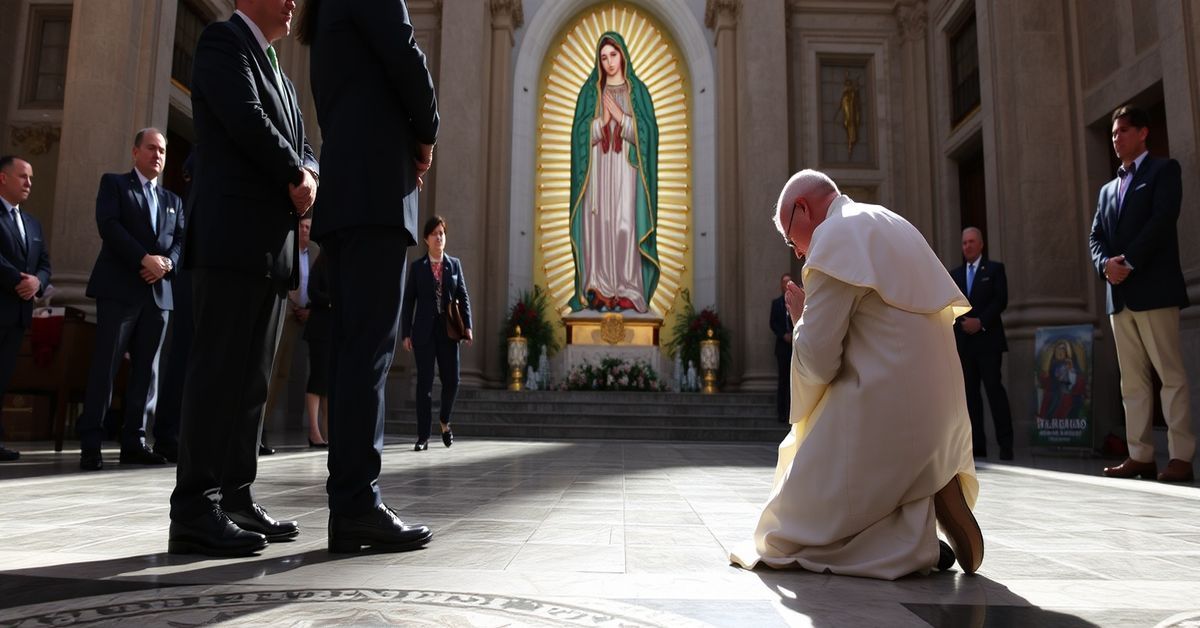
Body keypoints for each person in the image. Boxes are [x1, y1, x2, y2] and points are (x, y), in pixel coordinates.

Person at [730, 169, 983, 579]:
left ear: (803, 209)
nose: (796, 252)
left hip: (894, 413)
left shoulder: (833, 239)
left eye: (790, 237)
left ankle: (914, 546)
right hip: (946, 414)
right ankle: (924, 500)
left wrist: (800, 321)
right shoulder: (887, 219)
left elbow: (818, 362)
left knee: (783, 527)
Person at [168, 0, 318, 557]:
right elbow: (245, 120)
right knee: (217, 377)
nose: (294, 2)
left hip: (270, 249)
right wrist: (296, 173)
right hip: (230, 238)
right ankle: (194, 508)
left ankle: (235, 496)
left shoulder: (279, 66)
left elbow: (303, 142)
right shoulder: (221, 42)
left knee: (252, 382)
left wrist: (311, 174)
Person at [299, 0, 438, 553]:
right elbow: (405, 55)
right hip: (376, 188)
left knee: (355, 350)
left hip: (348, 187)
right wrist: (426, 133)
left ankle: (351, 500)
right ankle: (357, 502)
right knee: (369, 352)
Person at [1090, 104, 1194, 483]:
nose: (1115, 139)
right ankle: (1140, 455)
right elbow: (1095, 236)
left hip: (1155, 290)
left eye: (1122, 132)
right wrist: (1105, 265)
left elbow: (1162, 221)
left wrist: (1128, 262)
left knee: (1170, 375)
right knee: (1131, 381)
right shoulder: (1107, 189)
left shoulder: (1165, 171)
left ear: (1143, 133)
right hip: (1118, 298)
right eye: (1113, 133)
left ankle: (1181, 456)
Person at [76, 128, 184, 471]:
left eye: (163, 151)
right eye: (151, 148)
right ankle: (91, 443)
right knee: (105, 368)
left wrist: (167, 263)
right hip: (119, 290)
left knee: (146, 372)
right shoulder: (114, 184)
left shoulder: (173, 201)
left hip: (158, 295)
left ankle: (134, 441)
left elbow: (182, 240)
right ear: (135, 151)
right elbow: (109, 226)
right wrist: (144, 259)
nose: (158, 155)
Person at [568, 32, 659, 313]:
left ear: (623, 56)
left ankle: (628, 290)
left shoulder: (638, 93)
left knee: (624, 226)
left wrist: (622, 119)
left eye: (613, 55)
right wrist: (599, 124)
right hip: (597, 175)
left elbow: (650, 134)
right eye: (604, 57)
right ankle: (599, 290)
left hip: (626, 174)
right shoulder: (590, 93)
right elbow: (578, 135)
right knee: (600, 226)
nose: (609, 62)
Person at [401, 216, 473, 451]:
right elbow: (408, 301)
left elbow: (463, 296)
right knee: (425, 385)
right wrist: (406, 333)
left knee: (452, 380)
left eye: (442, 233)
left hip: (449, 331)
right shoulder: (417, 267)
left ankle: (444, 420)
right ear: (426, 239)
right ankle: (423, 436)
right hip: (423, 333)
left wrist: (468, 327)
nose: (439, 237)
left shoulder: (454, 265)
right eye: (434, 234)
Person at [0, 156, 51, 462]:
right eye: (23, 177)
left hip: (18, 316)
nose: (29, 183)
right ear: (3, 178)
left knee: (4, 377)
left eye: (31, 178)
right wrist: (18, 279)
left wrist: (37, 282)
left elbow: (45, 264)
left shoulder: (31, 222)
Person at [949, 227, 1014, 461]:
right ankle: (977, 446)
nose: (967, 246)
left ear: (981, 244)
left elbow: (1000, 300)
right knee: (970, 396)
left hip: (988, 342)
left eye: (972, 241)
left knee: (994, 392)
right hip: (965, 344)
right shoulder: (954, 275)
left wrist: (981, 322)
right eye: (964, 242)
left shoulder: (995, 270)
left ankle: (1006, 444)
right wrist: (963, 324)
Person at [152, 151, 195, 464]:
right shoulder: (194, 192)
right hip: (190, 283)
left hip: (194, 278)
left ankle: (179, 435)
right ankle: (169, 435)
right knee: (180, 362)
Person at [262, 215, 318, 450]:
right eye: (302, 227)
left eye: (309, 228)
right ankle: (260, 426)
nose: (305, 231)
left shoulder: (314, 254)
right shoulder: (290, 248)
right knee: (273, 370)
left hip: (304, 318)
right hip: (286, 313)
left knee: (286, 374)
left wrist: (309, 309)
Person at [303, 249, 330, 448]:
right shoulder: (320, 264)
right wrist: (331, 301)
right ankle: (314, 432)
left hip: (332, 332)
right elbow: (313, 292)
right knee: (317, 380)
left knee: (328, 384)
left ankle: (326, 433)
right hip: (319, 330)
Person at [769, 273, 793, 423]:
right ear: (781, 285)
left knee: (793, 382)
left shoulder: (797, 302)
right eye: (784, 282)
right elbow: (772, 323)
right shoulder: (776, 303)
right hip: (782, 347)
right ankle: (781, 413)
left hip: (795, 347)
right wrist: (783, 335)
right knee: (783, 381)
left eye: (789, 282)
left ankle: (792, 413)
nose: (787, 285)